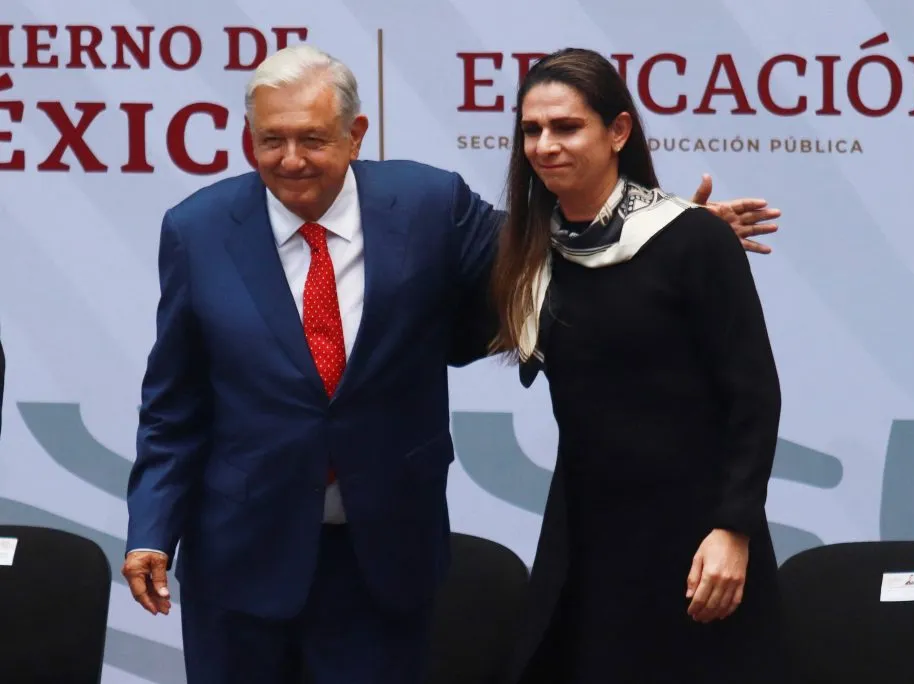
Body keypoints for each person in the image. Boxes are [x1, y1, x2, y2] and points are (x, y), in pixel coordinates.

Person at [121, 44, 779, 684]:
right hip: (241, 560)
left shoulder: (427, 206)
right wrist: (151, 530)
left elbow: (560, 244)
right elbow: (174, 405)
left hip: (381, 558)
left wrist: (673, 233)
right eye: (271, 140)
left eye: (313, 140)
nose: (290, 160)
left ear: (356, 135)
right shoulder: (197, 229)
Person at [490, 48, 786, 683]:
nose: (544, 145)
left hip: (696, 539)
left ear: (617, 132)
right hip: (587, 539)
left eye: (566, 127)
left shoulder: (694, 239)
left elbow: (754, 395)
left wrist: (733, 530)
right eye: (531, 130)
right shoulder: (529, 254)